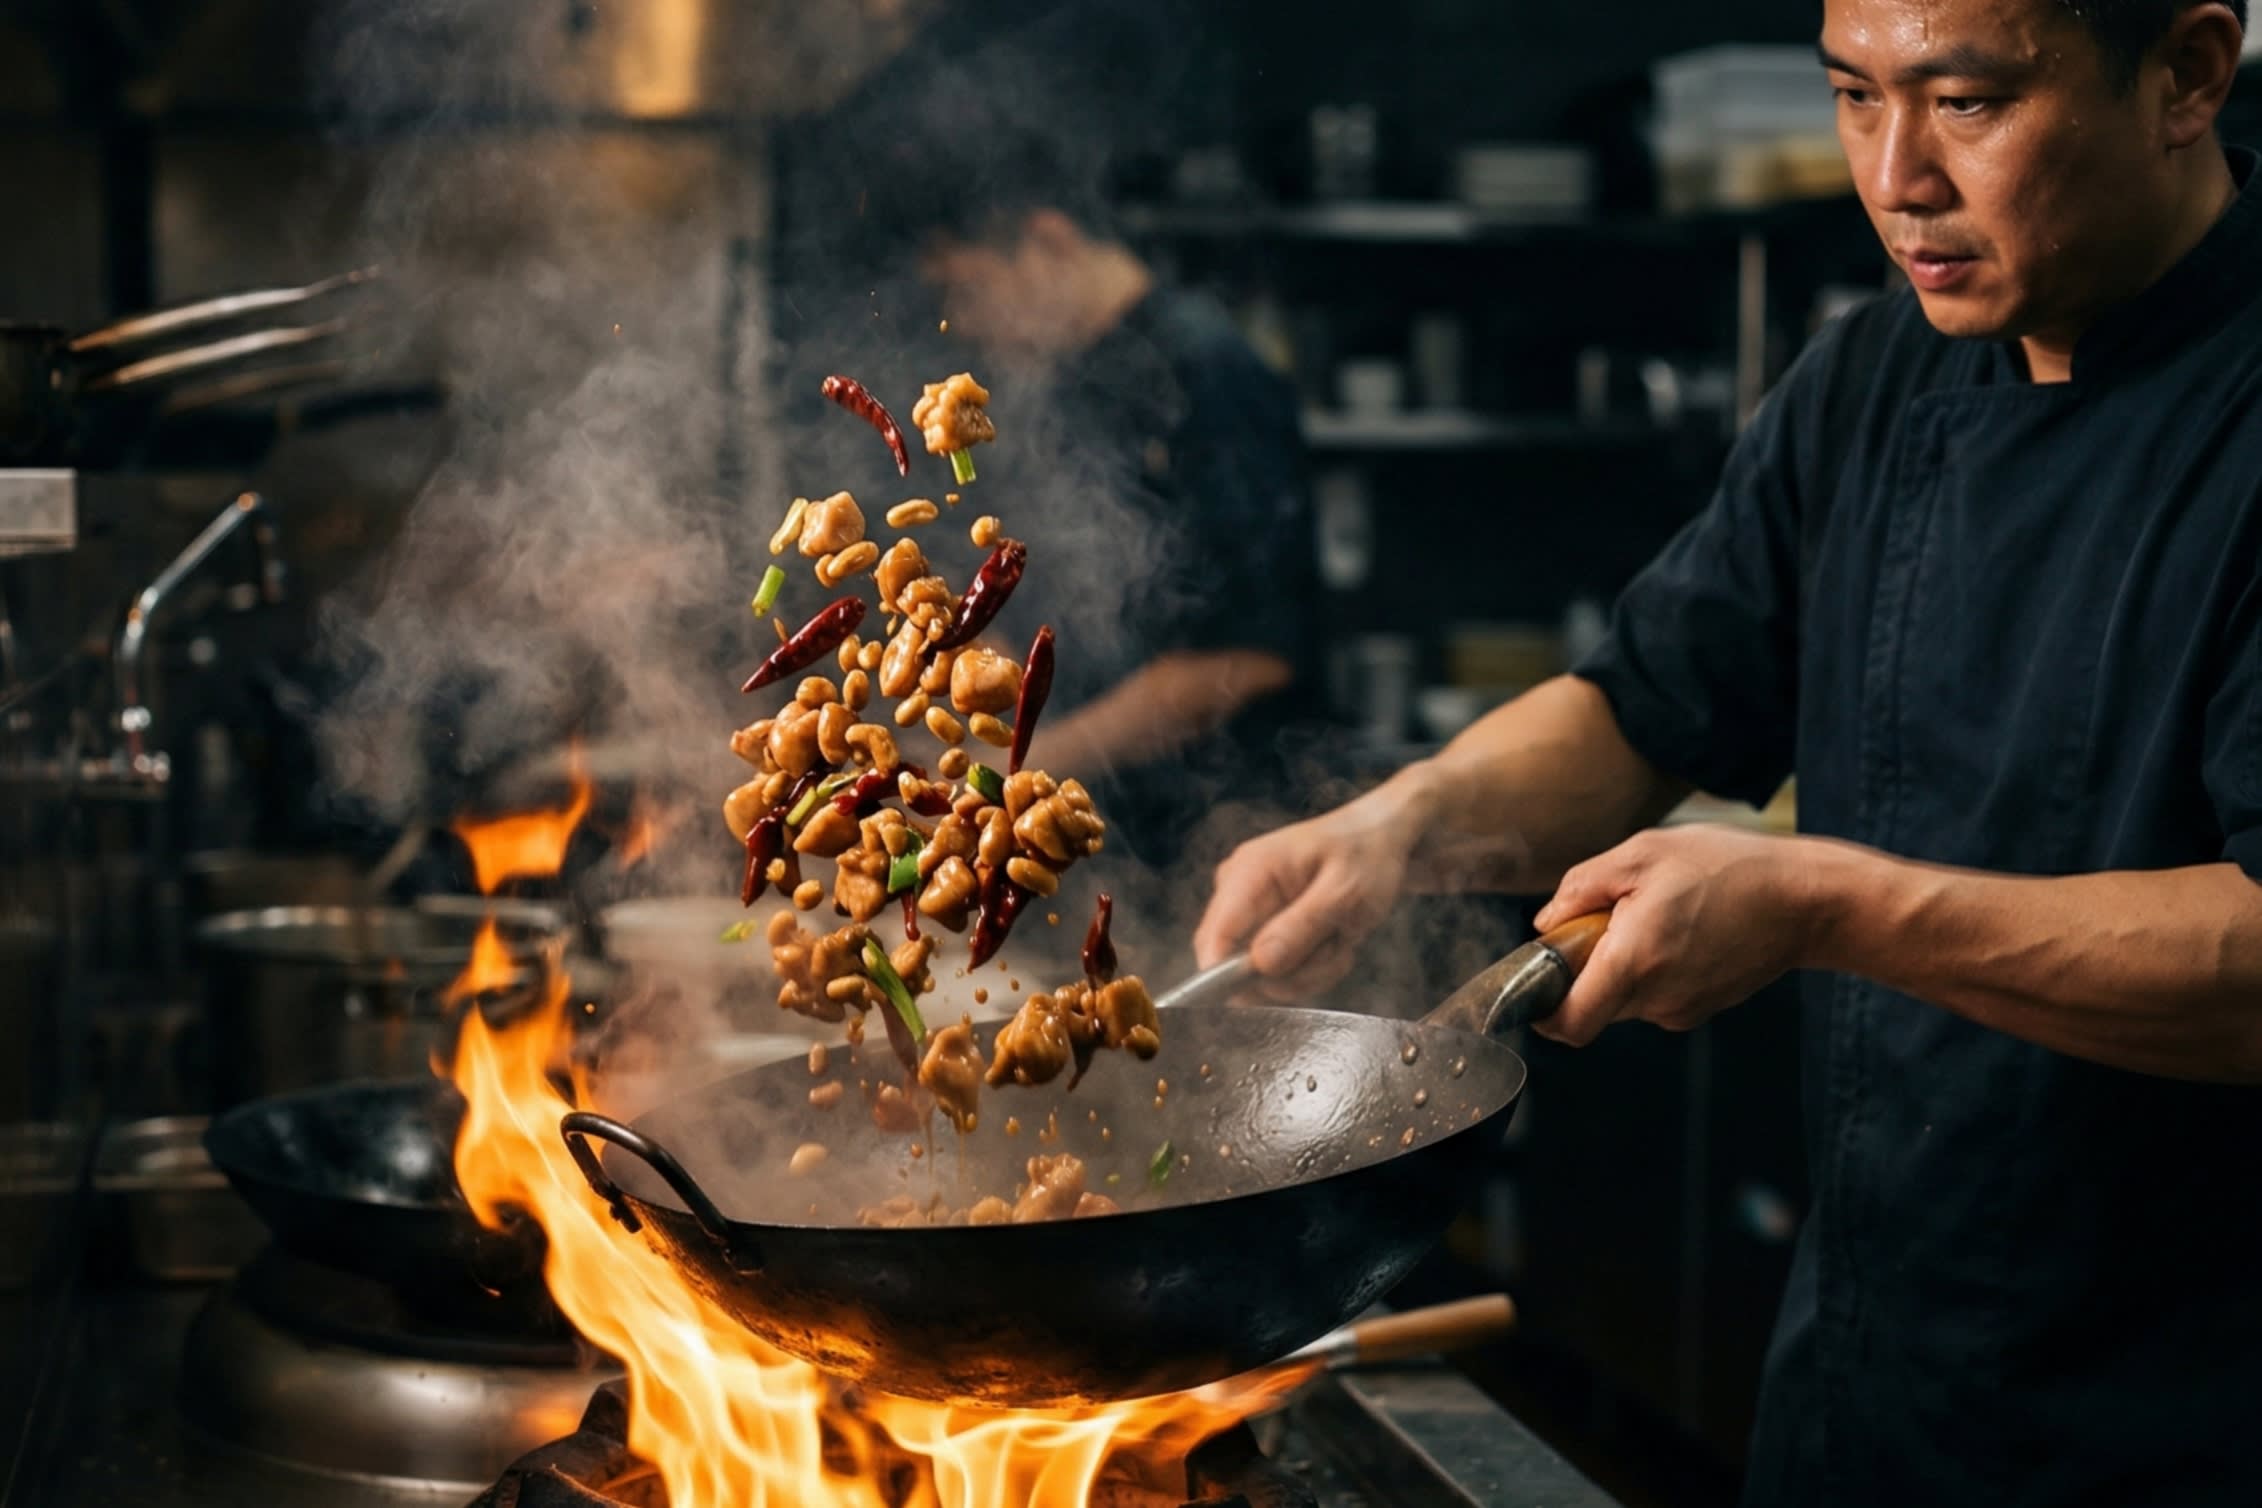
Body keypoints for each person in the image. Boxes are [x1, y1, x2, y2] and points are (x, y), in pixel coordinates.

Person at [1195, 2, 2262, 1504]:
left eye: (1964, 102)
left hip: (2185, 1419)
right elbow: (1642, 708)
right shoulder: (1871, 382)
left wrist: (1822, 905)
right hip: (1866, 1377)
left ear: (2185, 75)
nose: (1892, 174)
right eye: (1849, 95)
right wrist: (1397, 826)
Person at [832, 77, 1318, 876]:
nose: (972, 319)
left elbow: (1250, 654)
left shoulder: (1212, 372)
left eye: (969, 288)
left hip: (1224, 830)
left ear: (1051, 242)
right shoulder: (1073, 377)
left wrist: (1040, 753)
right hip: (1103, 832)